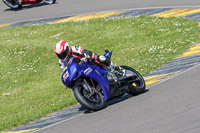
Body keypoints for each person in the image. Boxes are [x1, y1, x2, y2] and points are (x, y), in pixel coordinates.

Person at [54, 40, 125, 75]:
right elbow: (66, 71)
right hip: (80, 70)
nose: (62, 56)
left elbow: (86, 52)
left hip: (88, 62)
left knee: (99, 58)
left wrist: (86, 56)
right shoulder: (61, 62)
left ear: (67, 48)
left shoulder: (75, 48)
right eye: (59, 55)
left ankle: (119, 69)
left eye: (63, 53)